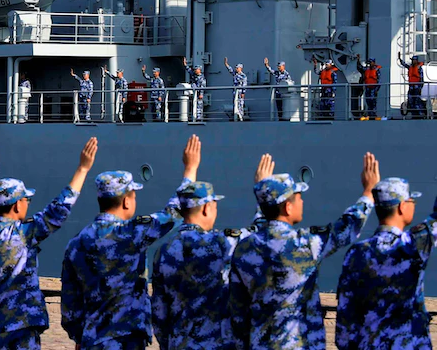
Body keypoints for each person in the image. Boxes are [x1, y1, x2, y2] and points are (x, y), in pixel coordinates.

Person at [61, 135, 201, 350]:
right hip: (126, 338)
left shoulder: (76, 243)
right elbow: (173, 213)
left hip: (92, 338)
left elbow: (70, 301)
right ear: (127, 201)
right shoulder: (131, 233)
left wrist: (79, 337)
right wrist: (190, 169)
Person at [230, 153, 378, 349]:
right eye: (299, 197)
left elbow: (238, 310)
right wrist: (368, 192)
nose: (302, 202)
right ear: (288, 207)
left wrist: (264, 195)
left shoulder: (243, 249)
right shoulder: (305, 245)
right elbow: (348, 226)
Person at [0, 138, 96, 350]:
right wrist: (82, 169)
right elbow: (58, 210)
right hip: (22, 329)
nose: (28, 203)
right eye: (26, 199)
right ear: (17, 205)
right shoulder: (25, 233)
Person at [151, 153, 275, 350]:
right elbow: (261, 234)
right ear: (206, 208)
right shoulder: (221, 243)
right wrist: (263, 188)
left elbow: (159, 312)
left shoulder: (163, 252)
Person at [336, 177, 437, 349]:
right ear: (402, 206)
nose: (413, 204)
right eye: (411, 200)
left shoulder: (356, 253)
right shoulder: (413, 245)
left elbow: (346, 315)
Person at [354, 54, 381, 119]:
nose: (369, 63)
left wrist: (376, 89)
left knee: (373, 101)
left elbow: (379, 80)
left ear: (374, 62)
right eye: (369, 62)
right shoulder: (367, 69)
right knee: (368, 101)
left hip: (373, 88)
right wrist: (358, 60)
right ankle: (369, 114)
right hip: (368, 88)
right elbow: (360, 68)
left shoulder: (377, 70)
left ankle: (373, 115)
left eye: (371, 62)